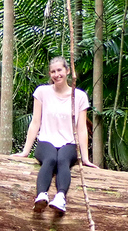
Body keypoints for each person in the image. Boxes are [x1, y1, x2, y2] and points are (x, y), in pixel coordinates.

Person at [14, 56, 97, 213]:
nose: (56, 74)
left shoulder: (79, 96)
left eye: (59, 70)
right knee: (51, 159)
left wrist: (85, 158)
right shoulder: (42, 92)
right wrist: (25, 152)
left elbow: (81, 129)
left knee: (63, 160)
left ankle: (60, 197)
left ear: (67, 71)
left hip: (69, 143)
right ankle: (41, 196)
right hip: (46, 141)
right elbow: (35, 122)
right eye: (53, 71)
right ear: (50, 74)